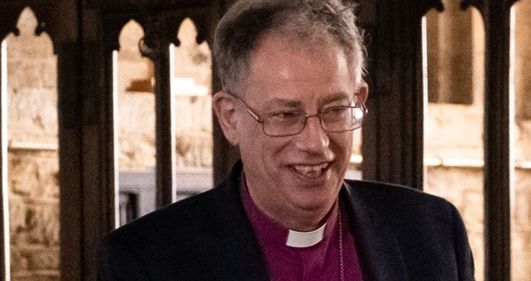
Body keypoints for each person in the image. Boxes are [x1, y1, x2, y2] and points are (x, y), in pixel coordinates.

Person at [96, 0, 475, 280]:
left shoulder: (432, 232)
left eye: (334, 109)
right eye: (285, 115)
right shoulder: (146, 261)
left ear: (359, 100)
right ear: (231, 118)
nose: (317, 142)